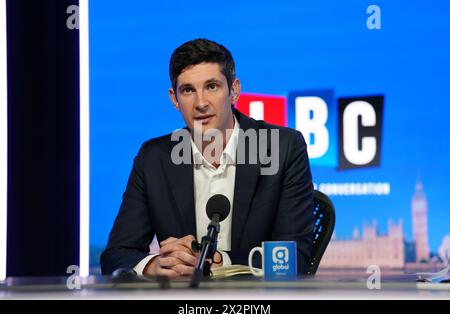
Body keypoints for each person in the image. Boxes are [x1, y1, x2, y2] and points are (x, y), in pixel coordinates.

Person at [100, 38, 314, 277]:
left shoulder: (282, 148)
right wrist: (154, 266)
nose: (200, 103)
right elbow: (116, 255)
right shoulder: (153, 158)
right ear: (174, 99)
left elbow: (296, 259)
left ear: (234, 91)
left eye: (212, 86)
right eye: (188, 90)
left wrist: (216, 261)